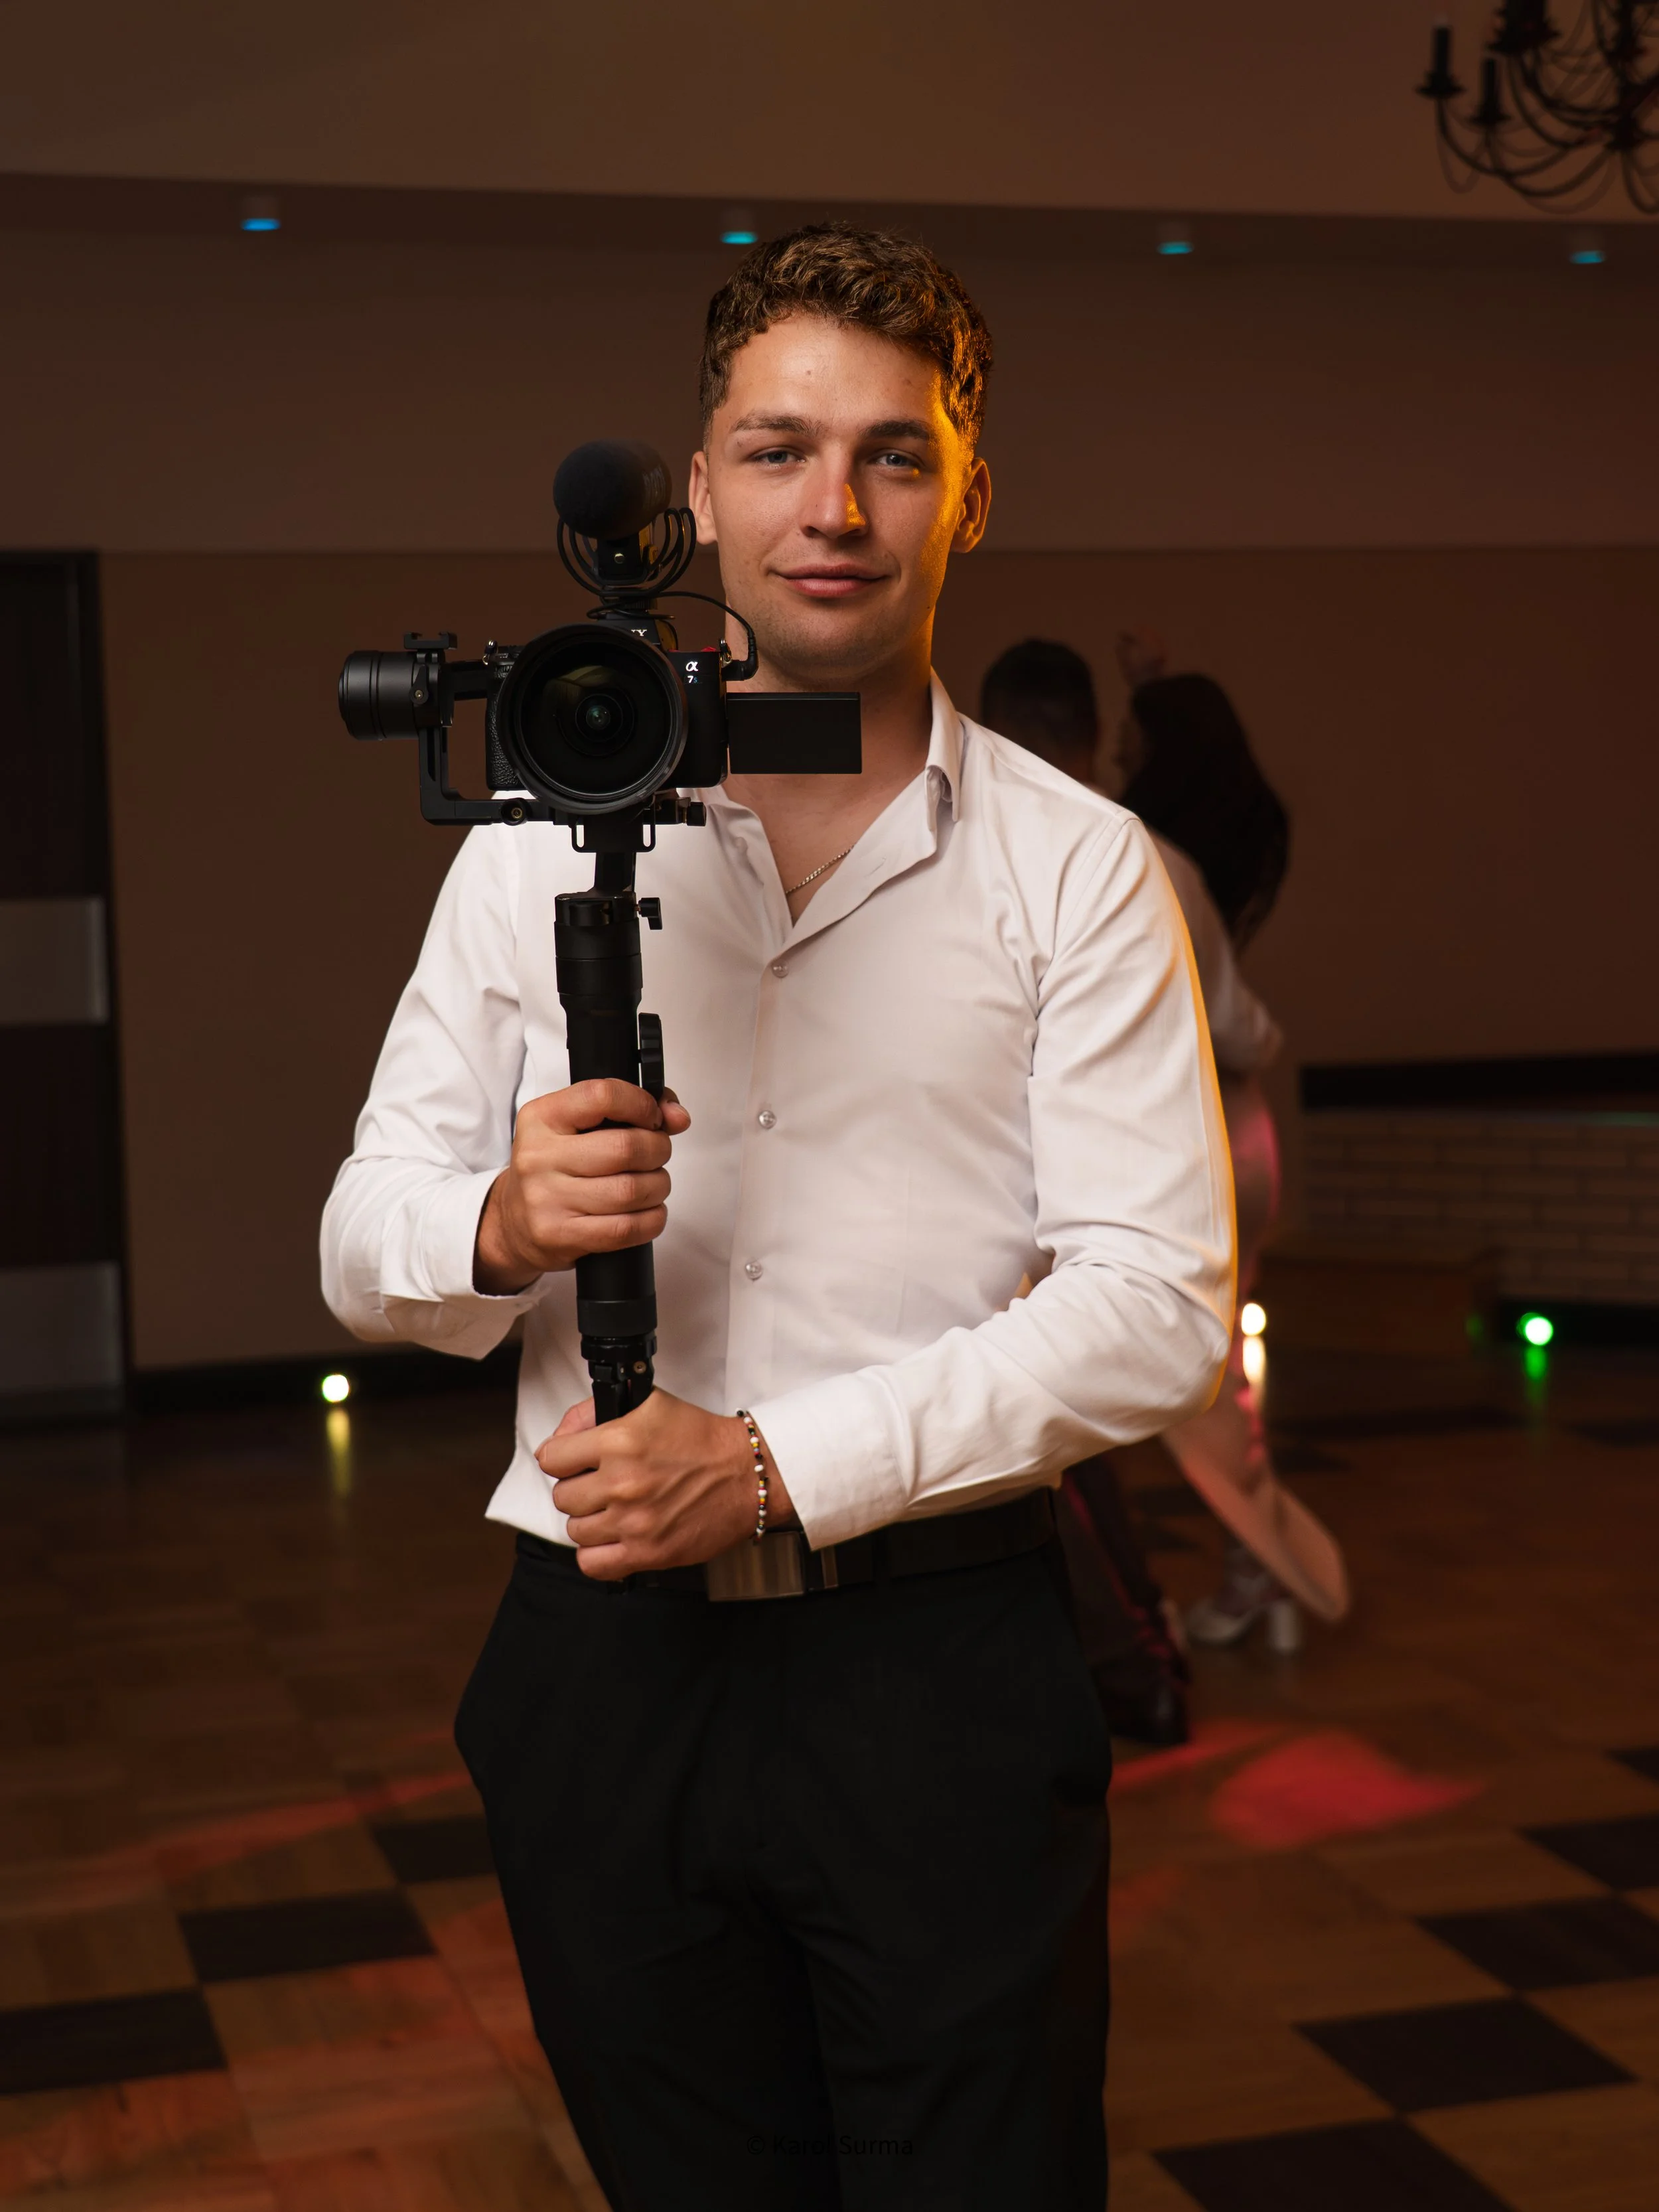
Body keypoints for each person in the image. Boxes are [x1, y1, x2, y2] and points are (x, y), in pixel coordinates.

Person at [323, 224, 1232, 2212]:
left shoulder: (1078, 870)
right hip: (599, 1681)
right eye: (776, 448)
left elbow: (1158, 1305)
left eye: (893, 455)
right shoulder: (534, 838)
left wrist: (765, 1469)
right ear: (697, 487)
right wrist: (494, 1218)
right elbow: (361, 1230)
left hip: (940, 1673)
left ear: (966, 492)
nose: (833, 506)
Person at [979, 633, 1348, 1689]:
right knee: (1218, 1388)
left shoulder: (1024, 851)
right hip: (1228, 1139)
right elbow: (1245, 1029)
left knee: (1115, 1389)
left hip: (1168, 1154)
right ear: (1093, 739)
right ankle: (1244, 1586)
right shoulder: (1147, 852)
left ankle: (1137, 1620)